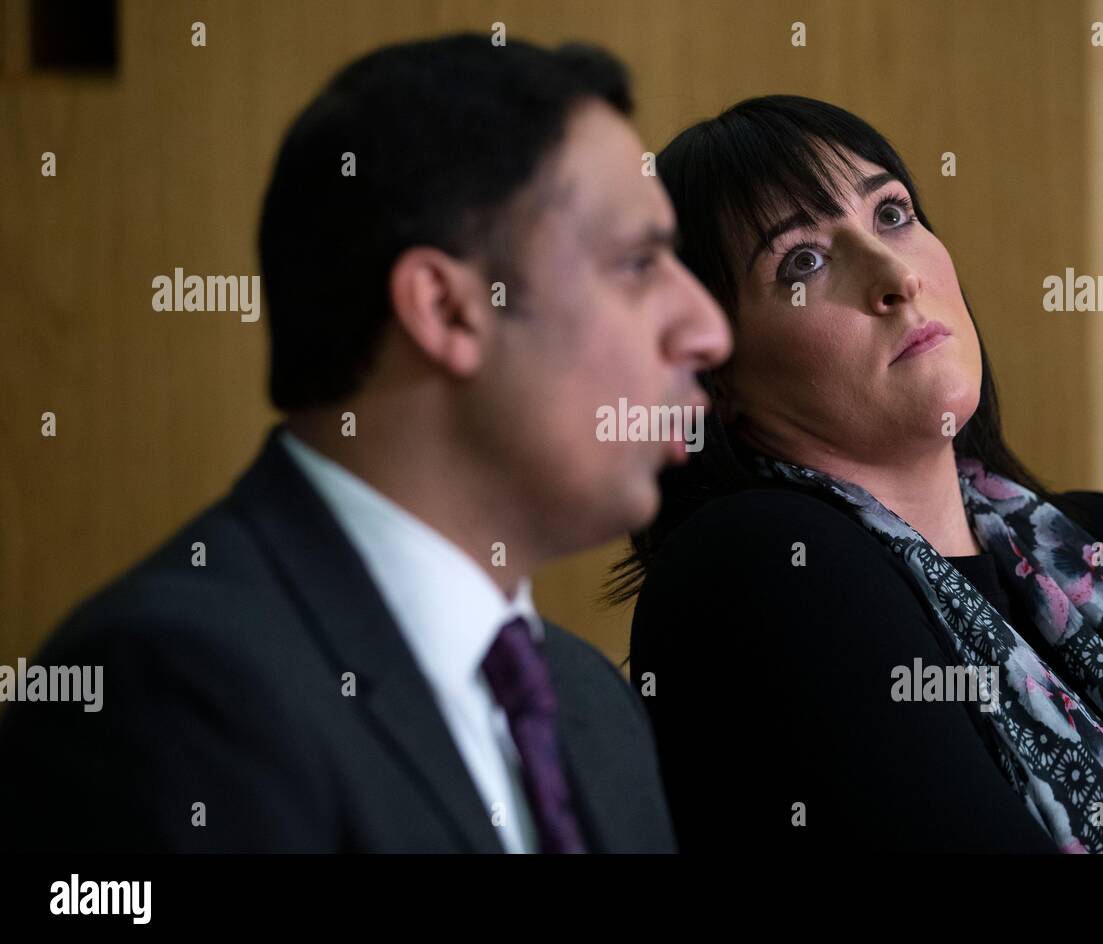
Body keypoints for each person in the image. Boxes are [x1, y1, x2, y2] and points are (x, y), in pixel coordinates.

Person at [0, 34, 730, 853]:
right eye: (637, 265)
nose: (708, 330)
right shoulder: (170, 695)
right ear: (448, 311)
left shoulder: (591, 701)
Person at [611, 95, 1103, 853]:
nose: (894, 275)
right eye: (802, 260)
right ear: (717, 376)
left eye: (893, 214)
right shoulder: (751, 562)